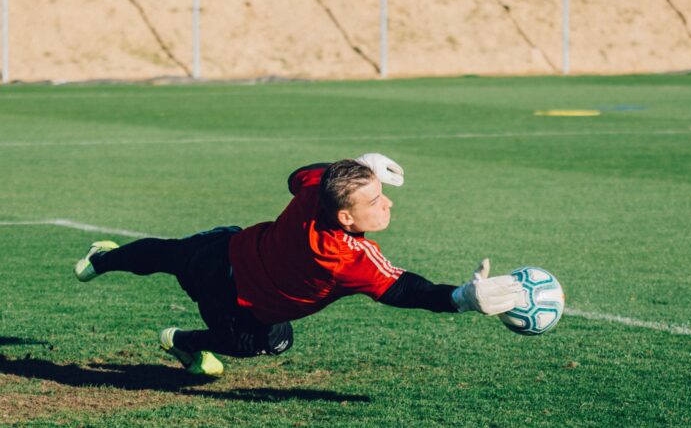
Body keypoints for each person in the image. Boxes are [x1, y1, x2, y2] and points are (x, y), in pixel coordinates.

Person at [74, 153, 524, 375]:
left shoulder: (317, 191)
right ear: (346, 217)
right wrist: (461, 299)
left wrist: (354, 167)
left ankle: (181, 339)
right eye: (374, 198)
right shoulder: (351, 257)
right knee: (166, 256)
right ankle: (104, 259)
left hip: (229, 271)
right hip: (228, 274)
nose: (386, 202)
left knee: (170, 257)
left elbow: (299, 175)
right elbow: (404, 289)